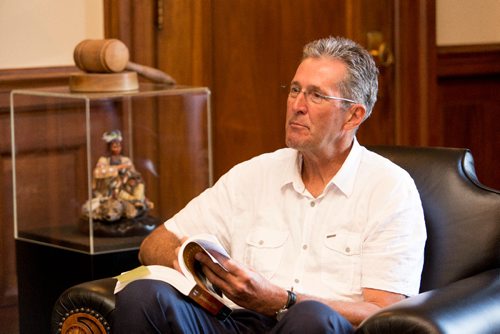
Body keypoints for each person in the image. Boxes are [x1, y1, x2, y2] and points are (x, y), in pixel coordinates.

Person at [113, 36, 426, 333]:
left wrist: (283, 300)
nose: (297, 105)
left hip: (317, 327)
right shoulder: (254, 174)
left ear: (353, 116)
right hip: (236, 323)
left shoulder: (389, 188)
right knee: (143, 295)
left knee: (311, 318)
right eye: (294, 90)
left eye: (316, 95)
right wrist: (198, 269)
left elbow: (383, 311)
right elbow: (154, 243)